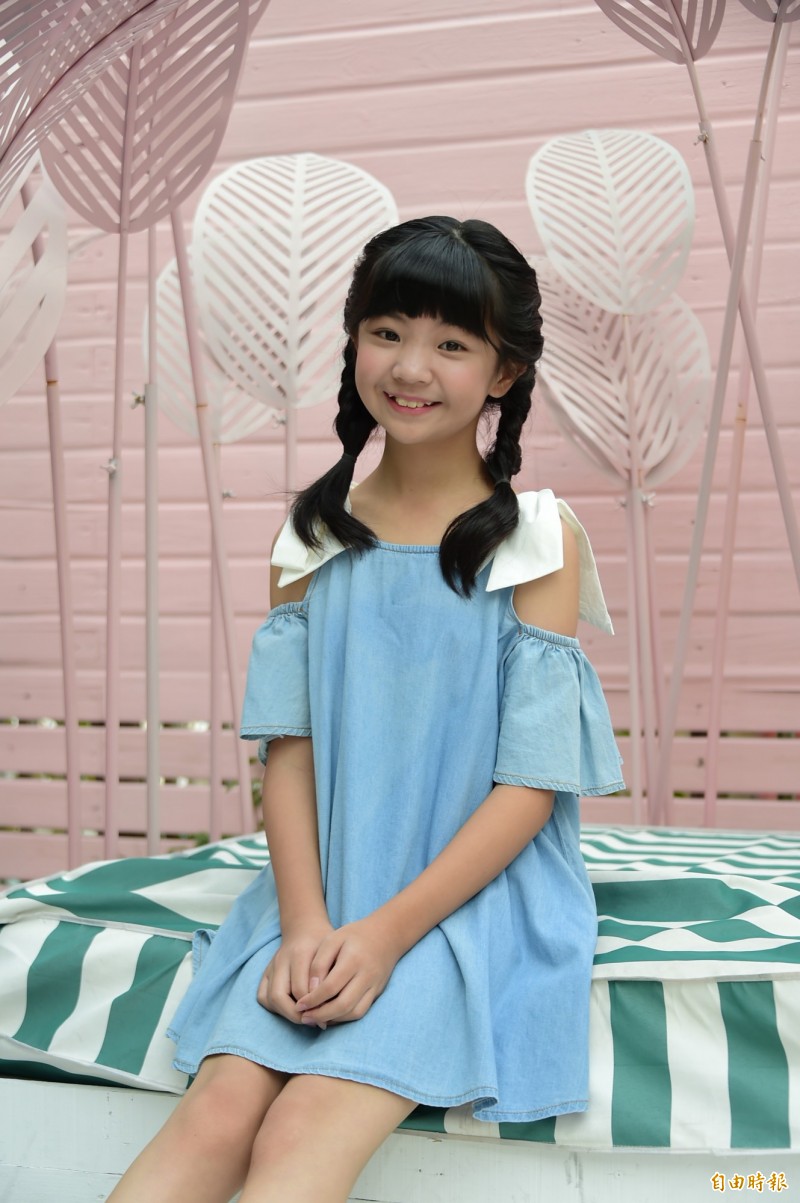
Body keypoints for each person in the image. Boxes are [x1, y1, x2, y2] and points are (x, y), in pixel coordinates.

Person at [107, 215, 623, 1203]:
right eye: (386, 332)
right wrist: (304, 923)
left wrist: (382, 937)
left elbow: (529, 789)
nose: (410, 366)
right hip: (324, 886)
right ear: (353, 343)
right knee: (216, 1113)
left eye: (452, 343)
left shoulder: (535, 538)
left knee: (302, 1126)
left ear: (505, 372)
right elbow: (289, 756)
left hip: (468, 899)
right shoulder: (310, 537)